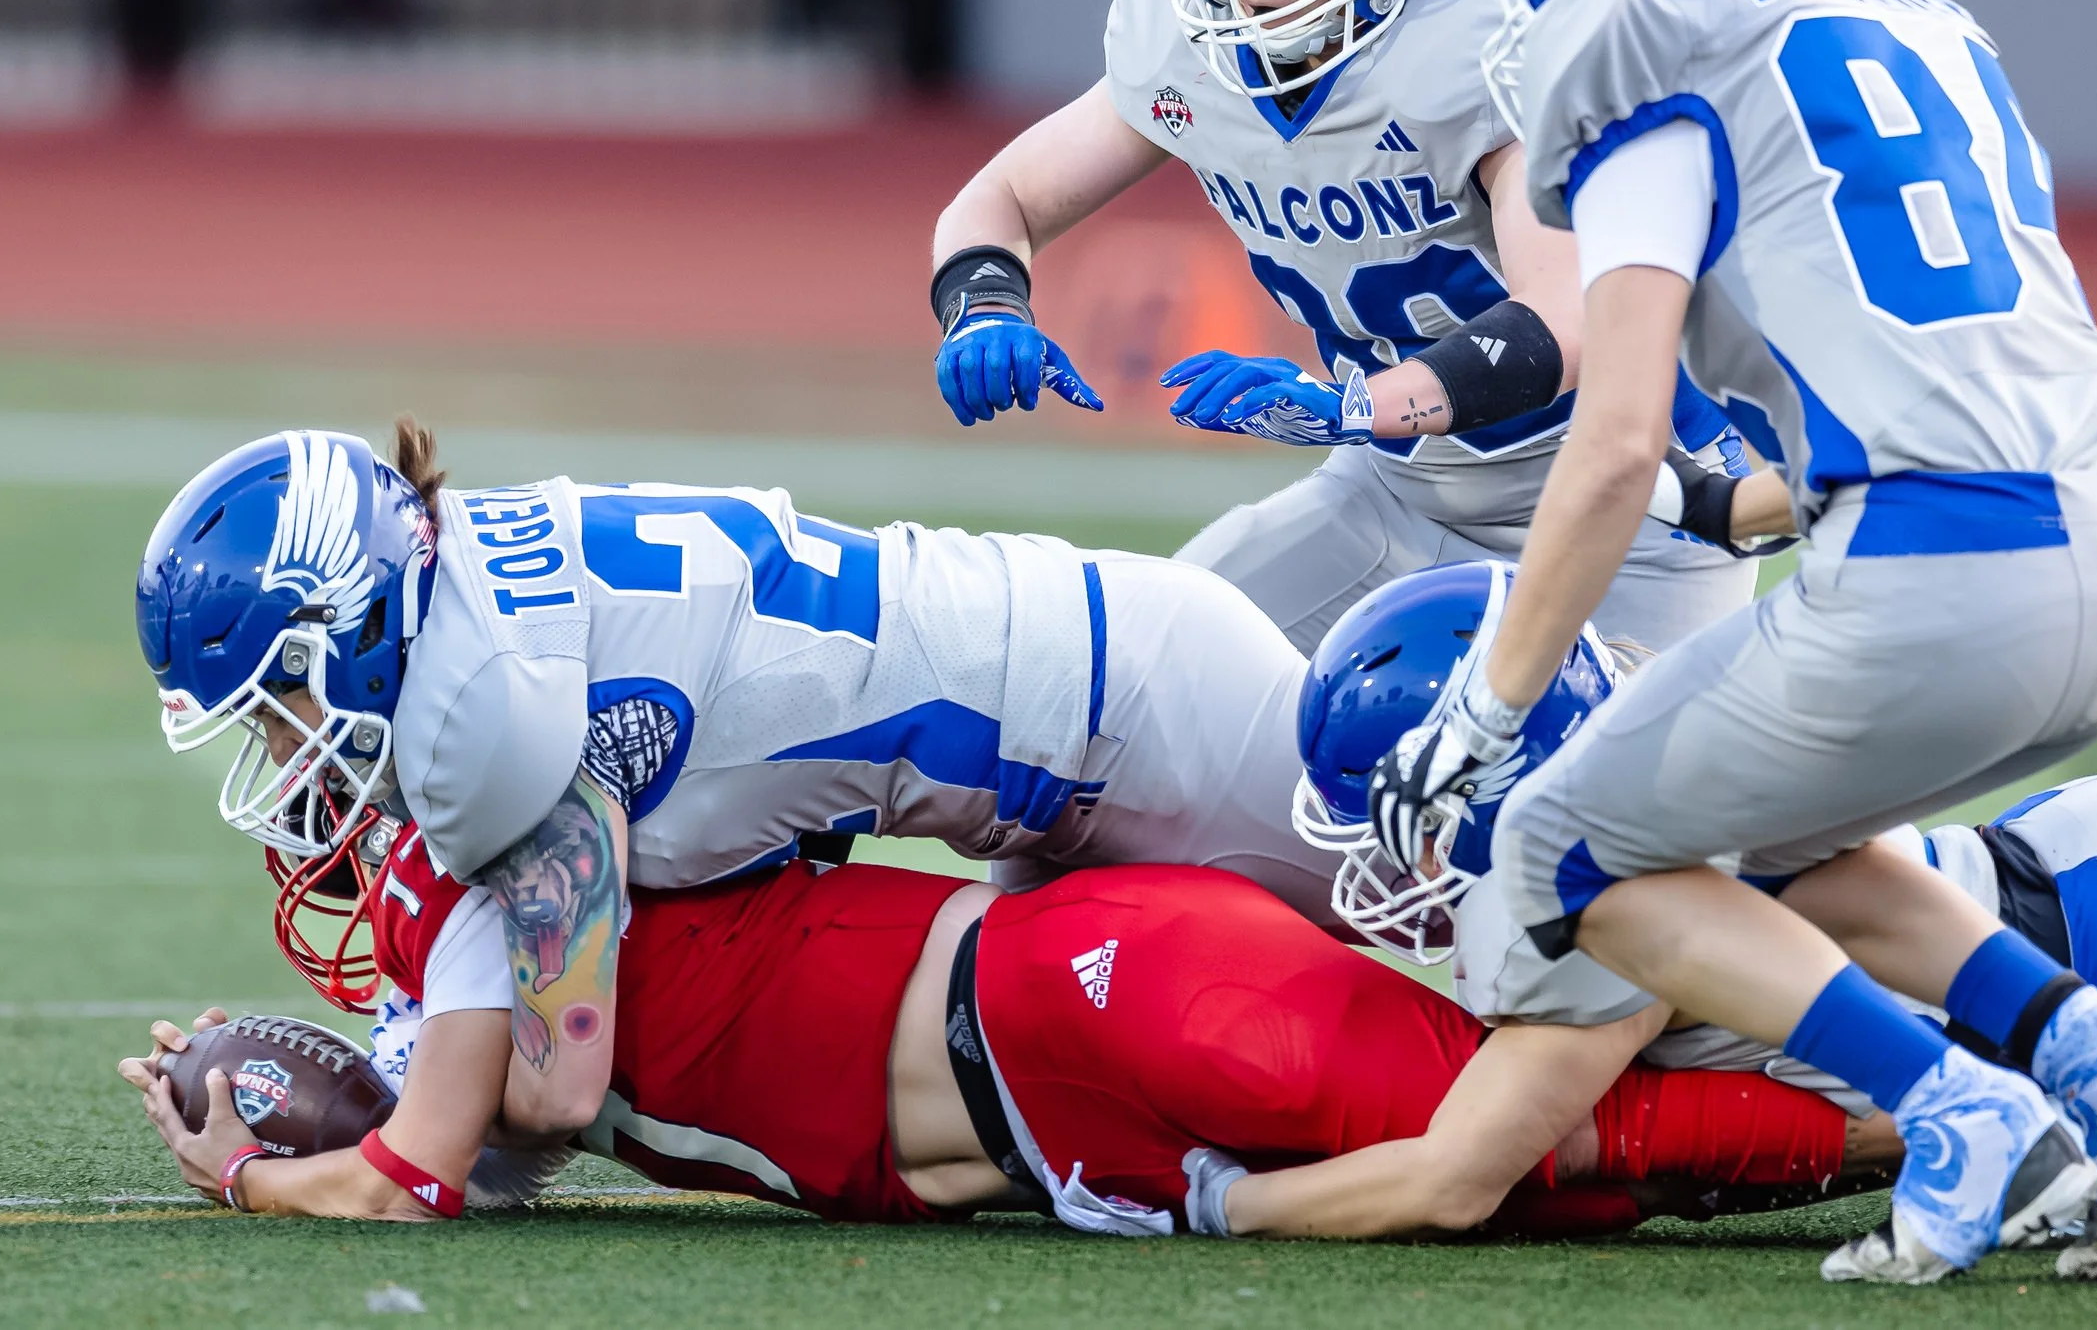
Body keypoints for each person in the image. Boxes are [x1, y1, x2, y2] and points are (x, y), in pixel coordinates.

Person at [1366, 0, 2097, 1284]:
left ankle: (1958, 1110)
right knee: (1767, 835)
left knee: (1558, 850)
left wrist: (1484, 699)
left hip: (1944, 582)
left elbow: (1612, 438)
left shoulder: (1651, 32)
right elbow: (1954, 356)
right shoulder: (1920, 19)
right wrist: (1756, 501)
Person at [134, 420, 1371, 1141]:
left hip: (1134, 716)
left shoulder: (477, 726)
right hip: (1063, 739)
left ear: (340, 630)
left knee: (1489, 907)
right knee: (1242, 1072)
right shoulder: (465, 588)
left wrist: (392, 1094)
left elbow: (562, 1094)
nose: (288, 753)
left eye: (281, 705)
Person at [926, 0, 1786, 659]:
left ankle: (1962, 827)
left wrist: (1353, 406)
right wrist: (986, 303)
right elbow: (1000, 200)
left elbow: (1567, 318)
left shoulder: (1486, 25)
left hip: (1628, 500)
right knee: (1122, 682)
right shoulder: (1183, 26)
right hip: (1395, 485)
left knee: (1570, 803)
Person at [1294, 567, 2097, 1254]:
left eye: (1399, 815)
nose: (1382, 863)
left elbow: (1453, 1180)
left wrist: (1204, 1196)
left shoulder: (1599, 900)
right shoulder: (1627, 756)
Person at [119, 822, 1887, 1234]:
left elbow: (459, 1152)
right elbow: (490, 1148)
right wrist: (278, 1108)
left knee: (1567, 1141)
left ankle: (1972, 1100)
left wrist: (272, 1169)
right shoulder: (501, 962)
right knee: (1569, 1153)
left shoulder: (520, 885)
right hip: (1069, 1103)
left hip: (1097, 996)